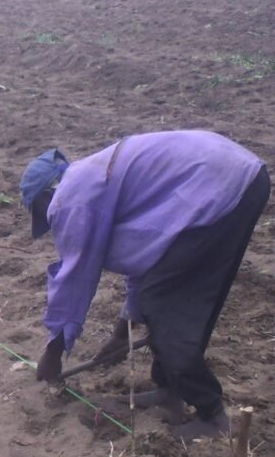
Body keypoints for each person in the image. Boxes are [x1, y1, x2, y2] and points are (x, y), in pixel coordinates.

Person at [22, 130, 269, 439]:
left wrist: (54, 351)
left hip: (218, 183)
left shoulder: (69, 198)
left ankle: (212, 414)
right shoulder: (95, 180)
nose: (50, 222)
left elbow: (75, 276)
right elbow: (148, 255)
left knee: (165, 305)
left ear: (46, 195)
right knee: (176, 293)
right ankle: (170, 390)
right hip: (238, 176)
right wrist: (121, 334)